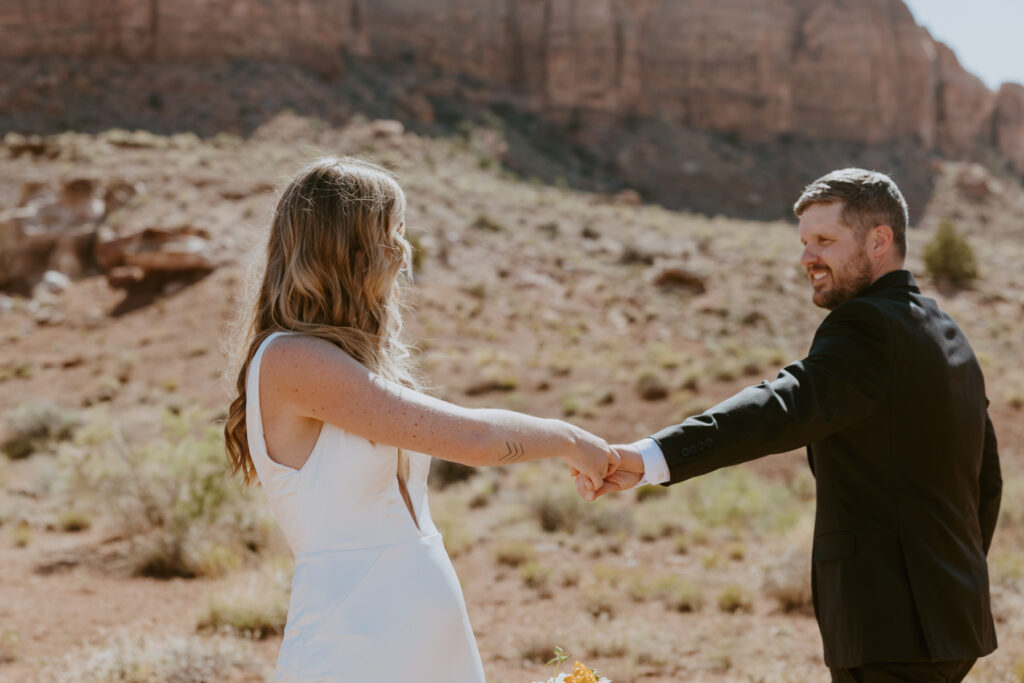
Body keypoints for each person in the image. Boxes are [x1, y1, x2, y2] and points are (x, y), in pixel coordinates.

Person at [583, 169, 1002, 682]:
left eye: (824, 240)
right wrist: (950, 577)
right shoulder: (946, 333)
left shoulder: (866, 326)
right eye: (804, 242)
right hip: (952, 620)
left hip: (890, 626)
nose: (807, 258)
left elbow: (783, 405)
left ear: (879, 240)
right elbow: (986, 481)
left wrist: (651, 457)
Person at [223, 157, 618, 682]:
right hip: (353, 638)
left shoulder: (345, 363)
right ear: (342, 248)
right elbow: (474, 439)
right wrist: (570, 440)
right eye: (388, 232)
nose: (401, 250)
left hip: (426, 631)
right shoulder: (292, 358)